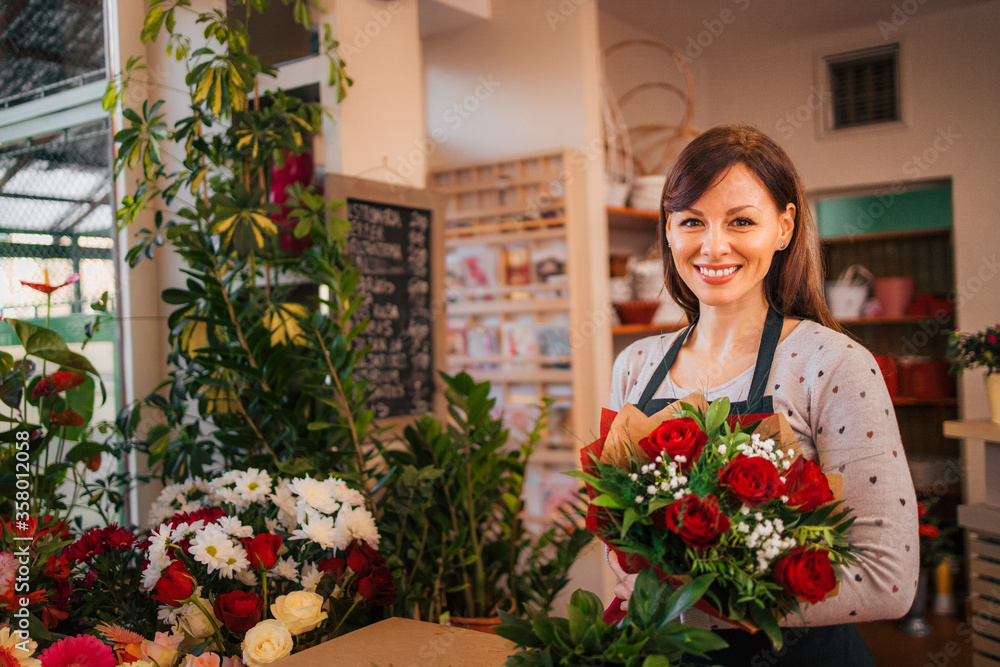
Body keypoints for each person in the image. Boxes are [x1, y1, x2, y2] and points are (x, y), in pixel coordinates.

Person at [607, 124, 919, 665]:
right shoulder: (636, 365)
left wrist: (689, 605)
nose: (713, 246)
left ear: (784, 227)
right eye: (691, 222)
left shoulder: (835, 365)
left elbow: (887, 578)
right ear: (668, 231)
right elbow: (617, 532)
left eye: (741, 221)